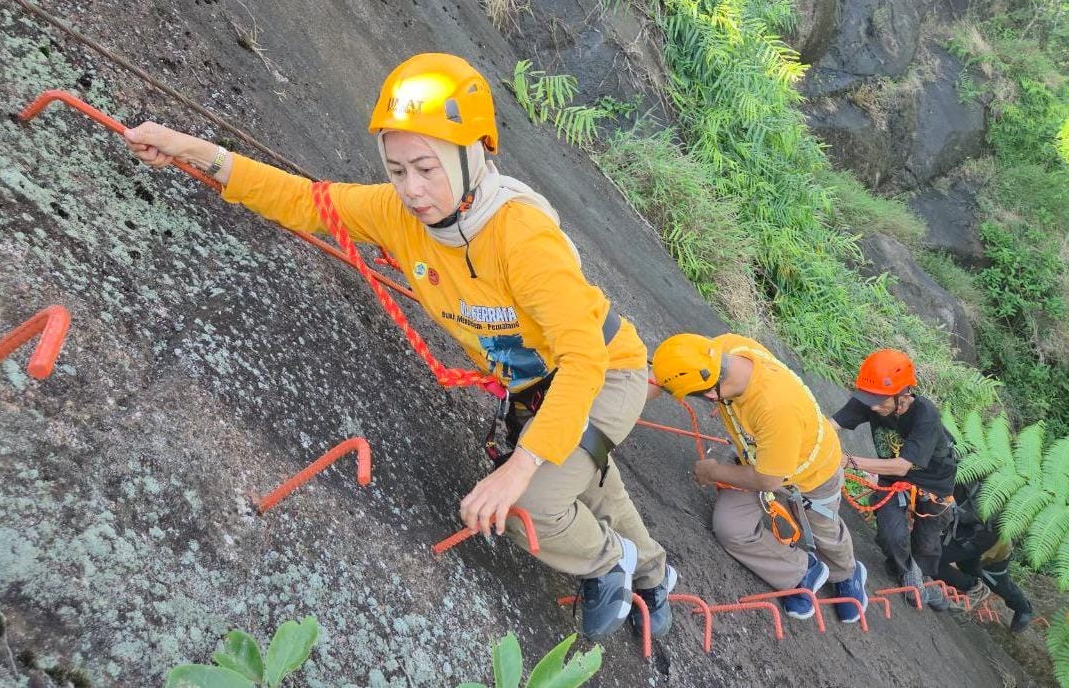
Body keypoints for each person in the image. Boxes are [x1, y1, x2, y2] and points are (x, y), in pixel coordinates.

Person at [123, 53, 675, 642]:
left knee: (533, 503)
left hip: (604, 369)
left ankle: (604, 561)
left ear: (475, 156)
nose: (412, 190)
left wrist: (520, 468)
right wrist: (195, 151)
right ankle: (651, 571)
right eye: (396, 169)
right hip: (536, 384)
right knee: (585, 474)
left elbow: (583, 359)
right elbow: (307, 201)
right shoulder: (398, 215)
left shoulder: (522, 237)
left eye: (426, 168)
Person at [649, 333, 868, 623]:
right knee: (730, 528)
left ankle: (847, 572)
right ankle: (802, 571)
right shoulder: (726, 351)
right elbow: (662, 376)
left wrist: (711, 471)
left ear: (712, 394)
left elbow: (768, 481)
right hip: (758, 455)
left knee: (822, 531)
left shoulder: (776, 409)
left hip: (811, 472)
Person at [831, 349, 956, 610]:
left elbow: (902, 465)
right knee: (890, 535)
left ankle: (924, 576)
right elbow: (831, 423)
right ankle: (907, 571)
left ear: (904, 394)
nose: (873, 407)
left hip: (933, 484)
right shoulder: (871, 400)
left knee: (927, 543)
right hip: (892, 476)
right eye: (869, 399)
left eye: (880, 401)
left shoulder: (925, 415)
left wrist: (848, 461)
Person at [938, 482, 1035, 631]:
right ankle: (972, 585)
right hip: (965, 532)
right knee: (967, 566)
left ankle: (1023, 608)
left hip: (993, 542)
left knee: (996, 581)